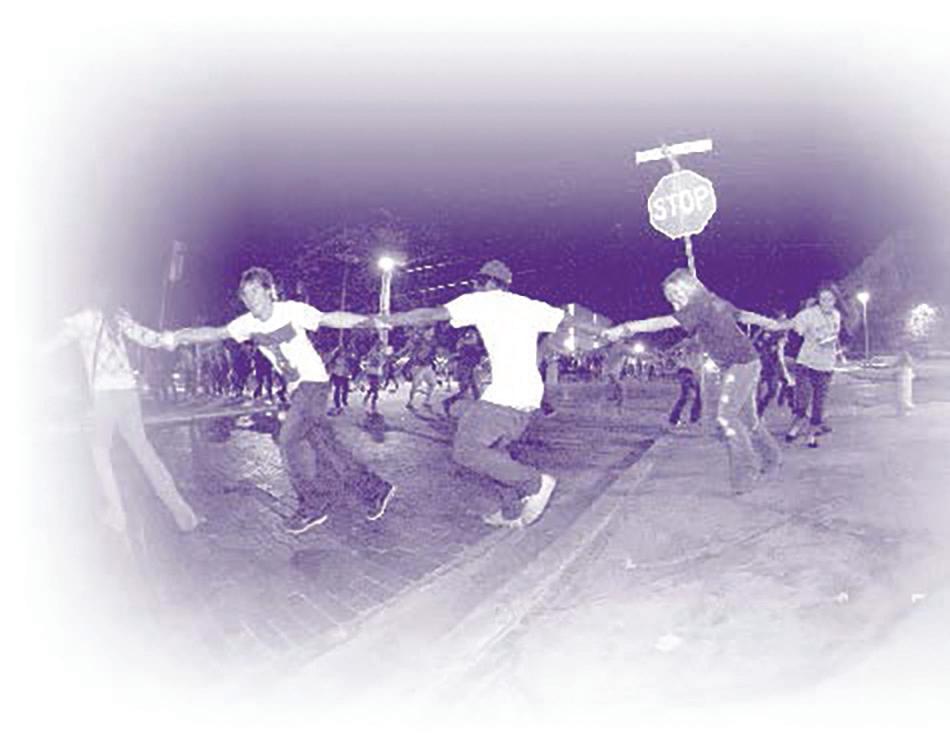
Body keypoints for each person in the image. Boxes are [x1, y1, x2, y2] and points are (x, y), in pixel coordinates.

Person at [162, 267, 395, 534]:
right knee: (326, 446)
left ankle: (314, 504)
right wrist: (177, 337)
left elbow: (330, 318)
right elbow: (214, 333)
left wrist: (370, 321)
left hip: (313, 383)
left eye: (255, 291)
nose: (250, 299)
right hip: (298, 390)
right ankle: (376, 489)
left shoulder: (291, 311)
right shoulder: (246, 324)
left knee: (288, 439)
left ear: (269, 291)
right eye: (245, 295)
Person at [377, 260, 582, 528]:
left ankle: (535, 483)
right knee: (494, 452)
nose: (474, 287)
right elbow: (568, 320)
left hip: (506, 395)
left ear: (489, 283)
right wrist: (610, 332)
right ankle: (511, 511)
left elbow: (431, 314)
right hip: (529, 393)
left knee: (466, 451)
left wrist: (386, 319)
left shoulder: (482, 301)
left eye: (477, 282)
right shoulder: (527, 305)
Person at [603, 268, 783, 494]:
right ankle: (772, 457)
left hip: (742, 364)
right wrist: (769, 322)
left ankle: (746, 474)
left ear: (690, 287)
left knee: (726, 418)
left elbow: (662, 322)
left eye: (678, 292)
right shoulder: (713, 301)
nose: (674, 298)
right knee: (748, 420)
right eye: (670, 295)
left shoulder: (699, 305)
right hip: (740, 363)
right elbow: (742, 315)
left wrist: (625, 328)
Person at [42, 292, 201, 539]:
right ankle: (183, 514)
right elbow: (147, 337)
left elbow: (53, 342)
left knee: (99, 451)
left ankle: (116, 514)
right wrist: (170, 339)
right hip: (128, 393)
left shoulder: (84, 319)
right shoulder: (119, 317)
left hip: (105, 395)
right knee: (145, 452)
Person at [781, 283, 847, 448]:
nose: (826, 303)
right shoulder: (809, 314)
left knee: (819, 404)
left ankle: (811, 435)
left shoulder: (836, 315)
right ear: (818, 300)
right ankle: (795, 426)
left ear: (835, 300)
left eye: (830, 299)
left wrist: (837, 350)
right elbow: (795, 326)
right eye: (823, 299)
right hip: (806, 364)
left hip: (826, 366)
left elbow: (835, 337)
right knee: (802, 400)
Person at [442, 328, 485, 417]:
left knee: (476, 391)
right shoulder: (466, 345)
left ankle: (477, 411)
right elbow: (464, 355)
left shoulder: (471, 345)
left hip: (471, 369)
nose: (476, 337)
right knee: (464, 392)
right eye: (473, 335)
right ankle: (447, 403)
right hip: (465, 369)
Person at [667, 338, 703, 429]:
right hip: (687, 371)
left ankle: (676, 418)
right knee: (690, 397)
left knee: (692, 397)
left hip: (693, 371)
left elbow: (672, 350)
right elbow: (673, 349)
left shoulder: (693, 342)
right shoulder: (691, 341)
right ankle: (691, 418)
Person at [406, 327, 439, 410]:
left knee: (432, 384)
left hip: (427, 366)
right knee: (415, 385)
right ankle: (410, 402)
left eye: (432, 331)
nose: (432, 332)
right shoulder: (419, 341)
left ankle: (427, 401)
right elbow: (411, 348)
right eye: (430, 331)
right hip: (418, 366)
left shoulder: (432, 341)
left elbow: (433, 352)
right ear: (425, 331)